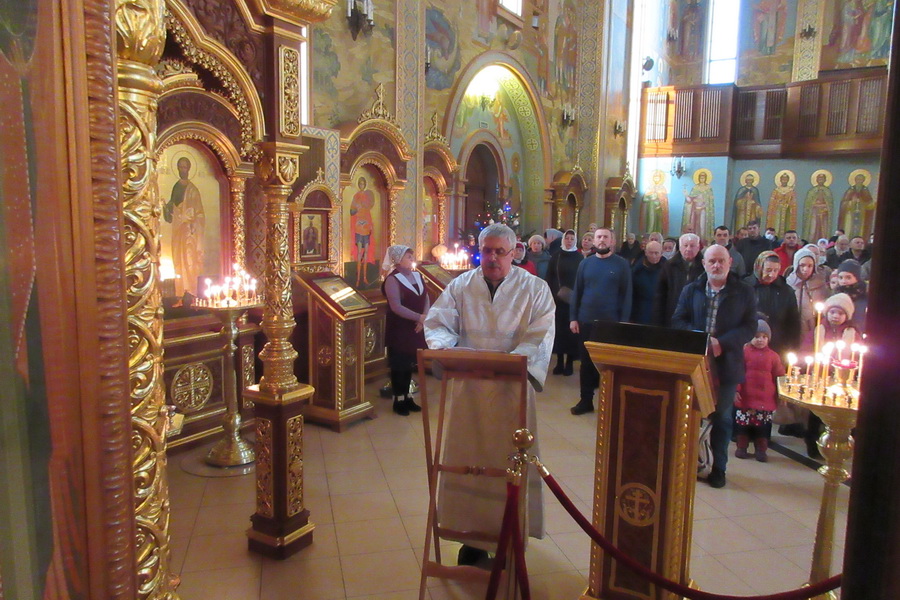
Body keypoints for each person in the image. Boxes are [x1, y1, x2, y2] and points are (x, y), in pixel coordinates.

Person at [424, 223, 555, 566]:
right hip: (467, 389)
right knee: (466, 459)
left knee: (508, 461)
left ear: (514, 253)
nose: (493, 258)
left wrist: (511, 364)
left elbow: (540, 334)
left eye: (500, 252)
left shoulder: (535, 289)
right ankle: (471, 537)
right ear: (478, 251)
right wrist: (448, 351)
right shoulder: (461, 285)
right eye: (487, 251)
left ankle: (508, 534)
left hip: (512, 390)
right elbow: (437, 323)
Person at [672, 244, 757, 488]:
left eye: (721, 261)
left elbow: (750, 326)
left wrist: (722, 343)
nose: (716, 265)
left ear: (730, 262)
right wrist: (703, 341)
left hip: (727, 364)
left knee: (722, 417)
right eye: (712, 261)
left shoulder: (744, 291)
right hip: (696, 363)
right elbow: (678, 320)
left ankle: (719, 467)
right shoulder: (692, 289)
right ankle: (690, 463)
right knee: (690, 415)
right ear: (704, 263)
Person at [569, 227, 632, 415]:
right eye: (599, 237)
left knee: (608, 365)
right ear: (594, 241)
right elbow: (577, 291)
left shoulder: (621, 264)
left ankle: (609, 403)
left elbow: (626, 295)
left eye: (605, 237)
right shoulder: (585, 263)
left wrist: (623, 322)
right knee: (586, 364)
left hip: (610, 323)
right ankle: (585, 400)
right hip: (586, 320)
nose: (602, 240)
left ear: (612, 241)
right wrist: (573, 318)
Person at [381, 245, 429, 415]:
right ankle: (398, 400)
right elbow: (396, 306)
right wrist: (419, 317)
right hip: (400, 328)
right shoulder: (392, 279)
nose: (412, 259)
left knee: (409, 364)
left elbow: (426, 297)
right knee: (399, 364)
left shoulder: (417, 275)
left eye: (411, 256)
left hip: (416, 327)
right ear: (398, 260)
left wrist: (424, 318)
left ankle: (408, 397)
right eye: (408, 257)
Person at [735, 320, 784, 462]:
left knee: (762, 427)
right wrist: (736, 390)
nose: (760, 340)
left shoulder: (773, 356)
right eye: (756, 336)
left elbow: (779, 376)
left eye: (764, 337)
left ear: (768, 339)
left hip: (765, 399)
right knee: (743, 425)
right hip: (746, 397)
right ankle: (742, 447)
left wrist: (781, 393)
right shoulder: (744, 353)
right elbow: (738, 372)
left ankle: (761, 450)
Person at [164, 156, 206, 297]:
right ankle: (180, 294)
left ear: (188, 169)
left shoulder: (193, 190)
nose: (182, 170)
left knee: (189, 261)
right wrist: (166, 208)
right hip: (178, 231)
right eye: (180, 167)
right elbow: (172, 207)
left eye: (185, 167)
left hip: (189, 232)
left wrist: (190, 219)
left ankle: (192, 293)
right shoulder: (176, 187)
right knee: (178, 261)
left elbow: (200, 214)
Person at [546, 229, 584, 375]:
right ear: (563, 239)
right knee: (559, 332)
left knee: (571, 332)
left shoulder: (579, 258)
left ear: (575, 241)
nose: (569, 241)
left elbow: (581, 279)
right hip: (558, 300)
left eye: (572, 238)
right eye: (567, 238)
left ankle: (569, 363)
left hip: (573, 301)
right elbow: (549, 277)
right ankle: (559, 361)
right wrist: (553, 293)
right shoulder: (556, 256)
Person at [749, 251, 801, 356]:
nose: (772, 274)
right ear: (759, 267)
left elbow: (793, 322)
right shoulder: (747, 288)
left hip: (778, 347)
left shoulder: (786, 291)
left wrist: (792, 347)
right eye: (768, 270)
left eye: (776, 270)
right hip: (750, 346)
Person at [653, 233, 703, 327]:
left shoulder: (705, 267)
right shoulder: (669, 266)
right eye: (685, 245)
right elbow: (660, 295)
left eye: (692, 246)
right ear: (680, 247)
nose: (688, 249)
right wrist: (658, 322)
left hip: (697, 318)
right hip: (673, 315)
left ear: (698, 247)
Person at [350, 177, 376, 286]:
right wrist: (356, 208)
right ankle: (357, 279)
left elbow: (369, 208)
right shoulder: (356, 196)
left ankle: (365, 277)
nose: (361, 185)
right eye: (360, 183)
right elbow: (352, 211)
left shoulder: (368, 196)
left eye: (363, 183)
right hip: (358, 227)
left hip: (366, 226)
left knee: (366, 253)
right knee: (359, 252)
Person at [630, 240, 664, 325]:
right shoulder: (637, 271)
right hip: (641, 313)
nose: (654, 256)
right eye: (651, 253)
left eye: (656, 253)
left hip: (661, 313)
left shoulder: (668, 269)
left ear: (661, 253)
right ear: (645, 253)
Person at [835, 259, 868, 332]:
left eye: (848, 277)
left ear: (857, 278)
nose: (843, 281)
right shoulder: (835, 297)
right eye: (840, 278)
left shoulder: (865, 296)